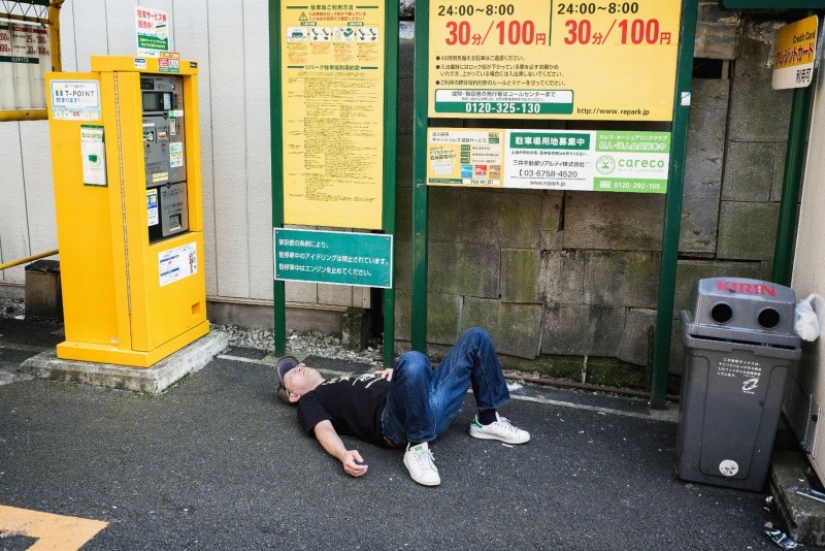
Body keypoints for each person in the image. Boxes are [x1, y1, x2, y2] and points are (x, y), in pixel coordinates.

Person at [276, 327, 530, 486]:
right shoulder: (311, 400)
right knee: (413, 360)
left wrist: (396, 376)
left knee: (476, 337)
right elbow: (323, 429)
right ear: (293, 395)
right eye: (291, 375)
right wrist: (343, 455)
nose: (297, 367)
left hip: (426, 403)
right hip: (395, 425)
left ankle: (486, 420)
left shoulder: (349, 376)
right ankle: (417, 448)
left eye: (296, 364)